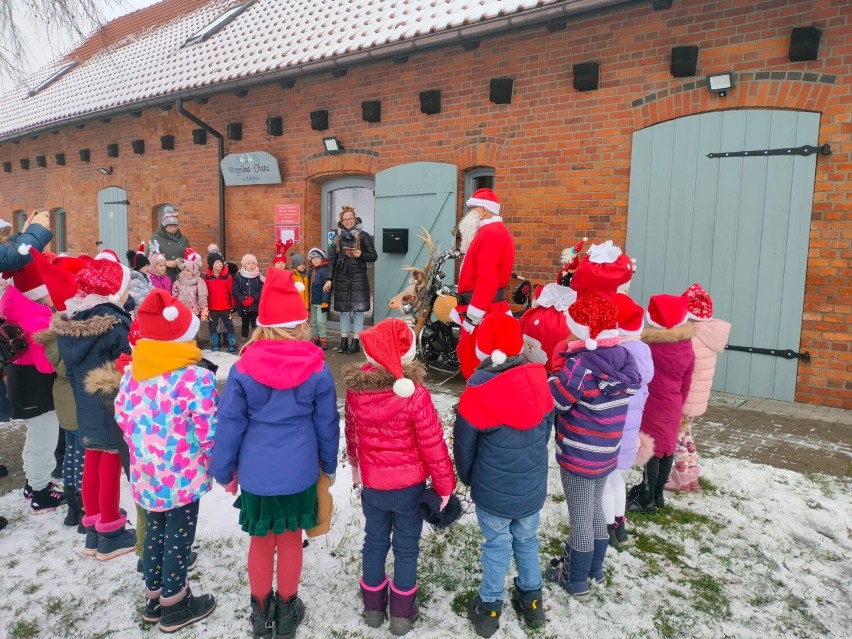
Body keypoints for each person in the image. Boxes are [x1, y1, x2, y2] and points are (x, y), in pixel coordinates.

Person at [211, 267, 339, 639]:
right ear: (299, 323)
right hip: (298, 470)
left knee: (260, 540)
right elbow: (326, 423)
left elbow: (230, 423)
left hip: (257, 472)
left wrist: (223, 469)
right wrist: (327, 465)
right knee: (290, 538)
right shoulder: (316, 366)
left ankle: (260, 613)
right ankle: (286, 610)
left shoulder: (243, 368)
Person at [344, 318, 455, 636]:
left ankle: (374, 608)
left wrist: (355, 464)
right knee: (406, 548)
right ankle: (402, 614)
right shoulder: (416, 395)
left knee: (374, 542)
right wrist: (445, 486)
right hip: (409, 490)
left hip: (374, 487)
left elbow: (352, 433)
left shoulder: (356, 393)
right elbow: (432, 444)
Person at [114, 289, 218, 631]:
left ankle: (154, 596)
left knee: (156, 530)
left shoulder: (133, 375)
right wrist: (216, 461)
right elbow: (208, 430)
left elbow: (122, 417)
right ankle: (175, 603)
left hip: (146, 473)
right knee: (178, 536)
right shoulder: (195, 379)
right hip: (182, 476)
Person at [453, 313, 554, 638]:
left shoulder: (477, 393)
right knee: (526, 540)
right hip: (531, 488)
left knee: (497, 545)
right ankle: (532, 601)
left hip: (493, 492)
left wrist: (469, 478)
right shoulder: (540, 383)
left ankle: (490, 607)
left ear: (483, 349)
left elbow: (464, 447)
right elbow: (546, 428)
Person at [547, 292, 640, 601]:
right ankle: (595, 570)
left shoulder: (581, 365)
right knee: (595, 510)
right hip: (607, 451)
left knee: (580, 517)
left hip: (578, 453)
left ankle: (575, 580)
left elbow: (558, 400)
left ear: (584, 330)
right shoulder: (625, 357)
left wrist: (551, 377)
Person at [53, 256, 137, 559]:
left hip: (85, 404)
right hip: (110, 404)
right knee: (110, 465)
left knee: (93, 461)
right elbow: (127, 368)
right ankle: (111, 532)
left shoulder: (74, 323)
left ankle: (93, 530)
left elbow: (73, 374)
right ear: (114, 290)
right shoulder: (115, 325)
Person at [30, 249, 91, 529]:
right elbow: (72, 366)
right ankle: (81, 507)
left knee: (71, 454)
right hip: (75, 399)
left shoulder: (54, 328)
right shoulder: (71, 330)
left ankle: (72, 503)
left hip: (64, 398)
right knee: (80, 455)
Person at [0, 262, 63, 513]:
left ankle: (32, 482)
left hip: (21, 383)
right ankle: (41, 492)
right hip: (37, 387)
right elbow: (47, 365)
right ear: (38, 291)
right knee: (44, 441)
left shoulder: (17, 307)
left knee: (35, 438)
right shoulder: (37, 318)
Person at [627, 294, 695, 513]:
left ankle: (646, 496)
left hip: (652, 403)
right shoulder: (686, 347)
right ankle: (658, 494)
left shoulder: (648, 346)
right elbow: (687, 381)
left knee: (650, 448)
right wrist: (679, 402)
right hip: (674, 402)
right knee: (666, 449)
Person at [667, 283, 731, 492]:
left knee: (678, 438)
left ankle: (682, 477)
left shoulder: (691, 337)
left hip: (684, 396)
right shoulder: (708, 333)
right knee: (686, 436)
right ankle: (692, 473)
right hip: (696, 398)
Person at [603, 293, 654, 547]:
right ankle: (620, 525)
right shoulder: (643, 351)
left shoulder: (618, 354)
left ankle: (607, 529)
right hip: (631, 429)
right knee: (617, 477)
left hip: (612, 427)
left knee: (604, 480)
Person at [452, 189, 515, 379]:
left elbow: (487, 280)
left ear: (484, 211)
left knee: (475, 358)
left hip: (483, 309)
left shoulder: (490, 235)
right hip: (486, 306)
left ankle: (476, 399)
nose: (469, 213)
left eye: (473, 208)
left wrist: (473, 315)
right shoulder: (492, 232)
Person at [323, 205, 377, 354]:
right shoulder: (338, 237)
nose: (348, 221)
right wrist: (329, 279)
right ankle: (344, 341)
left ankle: (356, 342)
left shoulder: (363, 235)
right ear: (341, 220)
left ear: (355, 219)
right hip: (342, 277)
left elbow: (373, 256)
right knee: (344, 311)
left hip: (359, 277)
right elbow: (332, 260)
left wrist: (361, 254)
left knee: (358, 311)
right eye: (345, 219)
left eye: (350, 218)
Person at [171, 249, 209, 347]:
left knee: (193, 327)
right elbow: (174, 296)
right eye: (183, 270)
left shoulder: (198, 282)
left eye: (188, 270)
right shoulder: (177, 282)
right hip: (181, 310)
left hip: (194, 310)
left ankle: (195, 342)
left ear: (194, 272)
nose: (185, 272)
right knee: (183, 327)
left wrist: (204, 311)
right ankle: (183, 342)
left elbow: (202, 297)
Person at [203, 250, 236, 353]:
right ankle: (215, 344)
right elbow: (204, 293)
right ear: (211, 264)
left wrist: (233, 305)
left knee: (229, 325)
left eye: (221, 262)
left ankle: (232, 344)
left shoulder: (228, 277)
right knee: (213, 326)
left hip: (226, 307)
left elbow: (232, 292)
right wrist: (205, 307)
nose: (220, 264)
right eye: (217, 262)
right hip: (212, 307)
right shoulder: (206, 278)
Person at [150, 206, 190, 281]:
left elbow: (189, 255)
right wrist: (166, 263)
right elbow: (150, 258)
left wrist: (182, 261)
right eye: (170, 226)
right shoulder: (155, 238)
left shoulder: (183, 239)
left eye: (175, 226)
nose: (173, 229)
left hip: (182, 275)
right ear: (164, 227)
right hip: (163, 276)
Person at [233, 254, 264, 342]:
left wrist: (254, 298)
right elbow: (236, 290)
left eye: (253, 263)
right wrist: (242, 299)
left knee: (255, 321)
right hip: (244, 305)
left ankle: (255, 336)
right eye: (249, 263)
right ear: (244, 265)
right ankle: (244, 336)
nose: (251, 265)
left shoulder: (258, 277)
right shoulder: (239, 277)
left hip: (255, 305)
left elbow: (261, 290)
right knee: (245, 321)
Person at [307, 248, 330, 351]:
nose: (315, 260)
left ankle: (323, 339)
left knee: (321, 321)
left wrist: (325, 301)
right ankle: (316, 337)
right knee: (314, 321)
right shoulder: (311, 271)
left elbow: (327, 288)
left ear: (322, 259)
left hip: (322, 302)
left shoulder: (324, 270)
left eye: (317, 258)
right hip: (313, 302)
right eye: (313, 258)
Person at [126, 243, 153, 308]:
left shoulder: (146, 278)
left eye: (148, 265)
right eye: (145, 266)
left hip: (150, 308)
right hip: (140, 310)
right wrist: (150, 303)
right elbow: (136, 298)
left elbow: (152, 289)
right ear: (138, 267)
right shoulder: (134, 281)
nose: (147, 268)